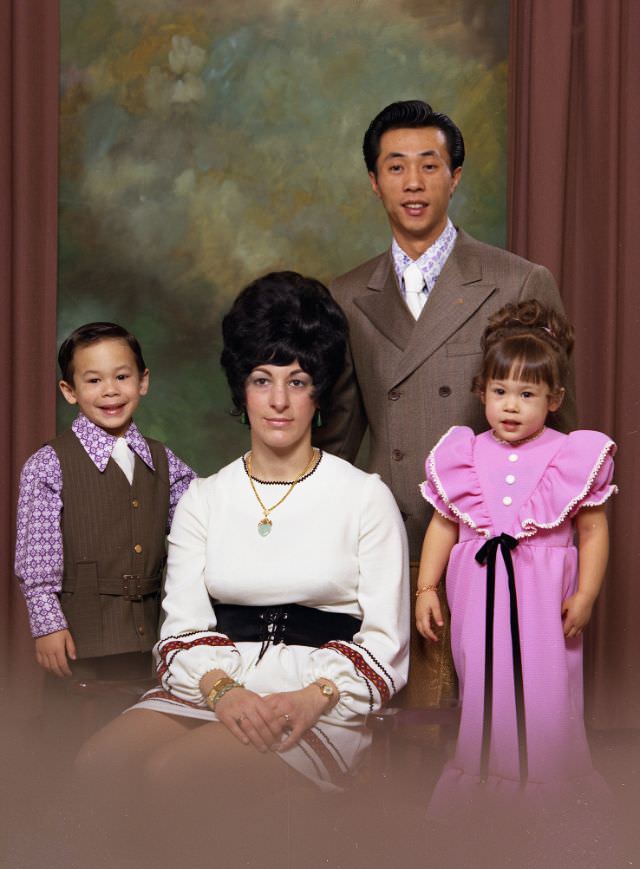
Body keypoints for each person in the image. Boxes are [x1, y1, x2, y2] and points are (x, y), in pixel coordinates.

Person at [76, 272, 409, 795]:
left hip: (316, 698)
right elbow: (182, 628)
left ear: (318, 393)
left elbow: (386, 640)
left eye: (296, 381)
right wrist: (223, 691)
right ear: (242, 389)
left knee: (175, 775)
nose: (279, 400)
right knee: (97, 766)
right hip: (216, 685)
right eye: (261, 379)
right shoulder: (203, 498)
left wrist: (313, 695)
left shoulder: (365, 497)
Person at [316, 98, 577, 707]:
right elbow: (342, 434)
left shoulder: (516, 280)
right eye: (397, 166)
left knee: (491, 717)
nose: (414, 183)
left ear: (455, 177)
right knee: (390, 721)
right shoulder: (348, 294)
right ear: (374, 181)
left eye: (430, 165)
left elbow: (563, 435)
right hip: (387, 539)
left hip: (495, 546)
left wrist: (564, 564)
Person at [415, 299, 616, 814]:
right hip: (478, 596)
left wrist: (587, 593)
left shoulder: (570, 453)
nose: (510, 405)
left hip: (544, 601)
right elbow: (444, 522)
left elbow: (592, 529)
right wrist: (426, 588)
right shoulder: (464, 452)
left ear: (554, 399)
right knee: (484, 690)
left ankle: (548, 802)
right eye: (500, 391)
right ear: (482, 392)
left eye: (527, 394)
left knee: (547, 697)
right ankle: (483, 793)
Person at [15, 322, 196, 686]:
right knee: (79, 732)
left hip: (152, 639)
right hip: (82, 645)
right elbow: (36, 558)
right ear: (70, 390)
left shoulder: (164, 460)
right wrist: (47, 625)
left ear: (142, 381)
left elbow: (197, 522)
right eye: (94, 380)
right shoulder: (49, 464)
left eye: (122, 377)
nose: (110, 391)